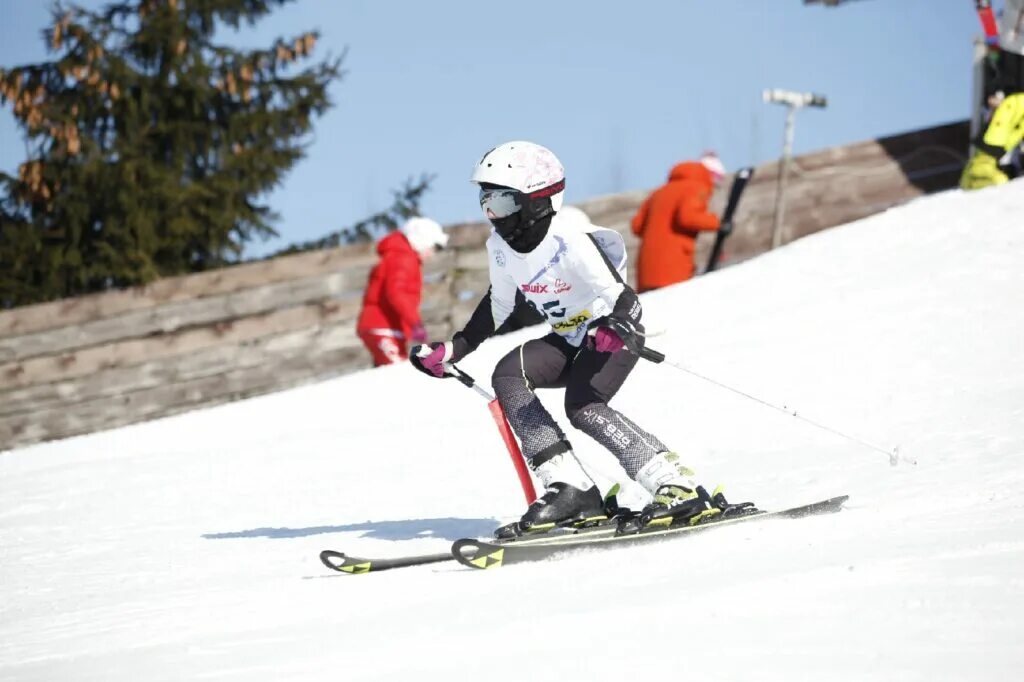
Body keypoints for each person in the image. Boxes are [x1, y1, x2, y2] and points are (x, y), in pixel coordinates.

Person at [409, 141, 725, 536]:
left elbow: (624, 299)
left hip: (607, 333)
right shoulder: (501, 247)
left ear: (536, 199)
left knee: (583, 405)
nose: (493, 215)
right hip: (567, 336)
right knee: (508, 374)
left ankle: (675, 484)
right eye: (485, 202)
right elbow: (497, 304)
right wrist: (454, 348)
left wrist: (616, 326)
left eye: (503, 203)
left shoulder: (569, 240)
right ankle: (571, 488)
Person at [356, 217, 448, 366]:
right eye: (434, 247)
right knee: (398, 374)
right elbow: (396, 293)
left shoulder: (403, 256)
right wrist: (415, 323)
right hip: (381, 326)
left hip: (391, 328)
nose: (433, 254)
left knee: (388, 377)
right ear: (422, 241)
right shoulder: (403, 257)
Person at [630, 152, 725, 292]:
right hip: (673, 269)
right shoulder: (695, 188)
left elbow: (636, 226)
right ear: (710, 177)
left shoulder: (658, 193)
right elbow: (688, 217)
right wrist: (717, 223)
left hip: (646, 270)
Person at [961, 88, 1024, 190]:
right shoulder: (1010, 106)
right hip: (994, 156)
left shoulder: (1012, 104)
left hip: (995, 155)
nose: (992, 102)